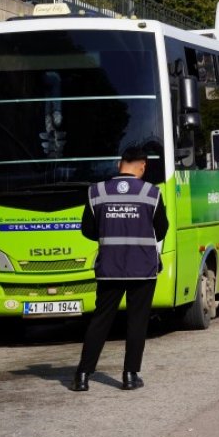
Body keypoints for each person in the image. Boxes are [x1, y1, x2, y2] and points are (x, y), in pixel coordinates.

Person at [72, 146, 169, 392]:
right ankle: (129, 376)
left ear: (120, 164)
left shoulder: (97, 192)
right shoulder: (151, 193)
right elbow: (162, 228)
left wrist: (109, 232)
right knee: (137, 322)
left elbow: (87, 230)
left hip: (109, 267)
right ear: (143, 166)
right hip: (142, 268)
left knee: (100, 320)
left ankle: (82, 375)